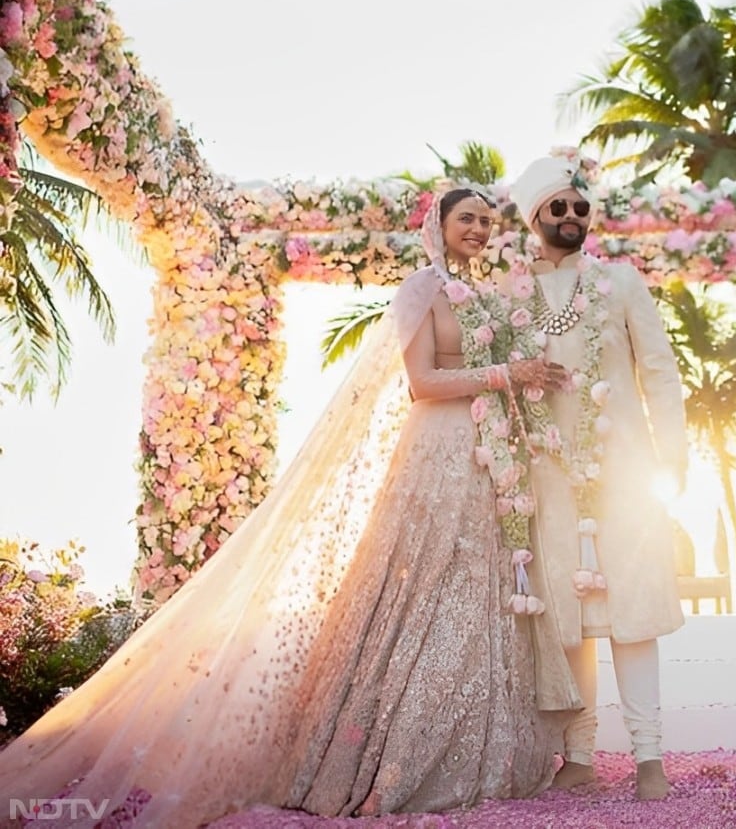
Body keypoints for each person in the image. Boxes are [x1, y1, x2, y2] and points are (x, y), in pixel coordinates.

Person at [0, 184, 579, 827]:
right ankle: (387, 755)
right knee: (417, 591)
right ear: (438, 226)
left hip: (482, 461)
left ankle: (478, 751)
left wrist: (525, 380)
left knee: (474, 594)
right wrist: (506, 375)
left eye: (485, 222)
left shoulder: (487, 297)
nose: (477, 229)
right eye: (466, 219)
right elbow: (421, 383)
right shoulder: (421, 288)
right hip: (435, 456)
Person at [507, 152, 689, 802]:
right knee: (568, 616)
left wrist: (672, 455)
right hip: (549, 476)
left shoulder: (621, 282)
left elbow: (660, 372)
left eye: (581, 207)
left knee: (631, 611)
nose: (572, 217)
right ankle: (577, 752)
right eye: (559, 207)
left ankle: (649, 757)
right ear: (536, 217)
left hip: (626, 472)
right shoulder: (511, 295)